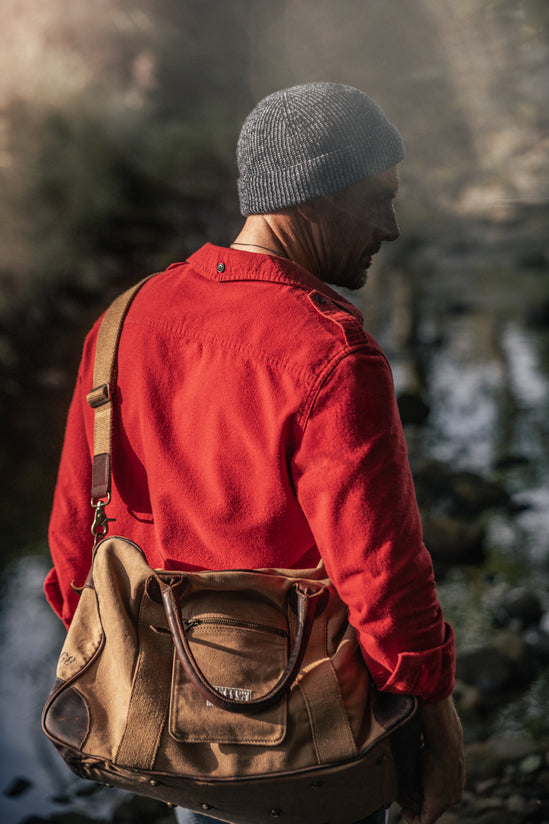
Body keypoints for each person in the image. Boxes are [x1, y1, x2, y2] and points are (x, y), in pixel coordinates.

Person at [45, 82, 465, 824]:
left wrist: (120, 671)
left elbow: (76, 539)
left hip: (170, 728)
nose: (391, 229)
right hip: (305, 741)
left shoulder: (124, 319)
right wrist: (434, 714)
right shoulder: (330, 354)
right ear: (310, 199)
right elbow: (380, 573)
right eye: (376, 201)